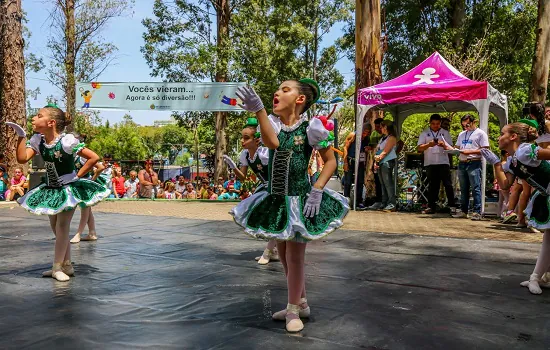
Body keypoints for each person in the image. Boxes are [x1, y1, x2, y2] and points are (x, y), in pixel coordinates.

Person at [230, 80, 349, 333]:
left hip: (299, 199)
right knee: (283, 255)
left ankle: (293, 309)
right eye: (276, 89)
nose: (277, 92)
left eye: (285, 90)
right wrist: (259, 110)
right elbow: (272, 143)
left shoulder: (311, 128)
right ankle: (301, 302)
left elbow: (330, 162)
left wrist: (317, 189)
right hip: (276, 199)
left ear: (300, 99)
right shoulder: (273, 126)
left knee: (295, 257)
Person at [6, 105, 110, 281]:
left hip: (68, 189)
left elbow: (94, 157)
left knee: (62, 227)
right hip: (51, 189)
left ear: (51, 122)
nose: (34, 118)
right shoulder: (39, 141)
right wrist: (21, 137)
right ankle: (66, 264)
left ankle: (56, 268)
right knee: (56, 227)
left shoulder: (67, 141)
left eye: (39, 116)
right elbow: (22, 158)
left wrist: (76, 176)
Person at [483, 122, 550, 294]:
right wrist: (497, 164)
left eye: (502, 133)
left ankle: (539, 276)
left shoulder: (525, 150)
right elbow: (505, 184)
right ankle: (540, 276)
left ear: (513, 137)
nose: (498, 137)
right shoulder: (513, 160)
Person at [223, 117, 278, 265]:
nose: (242, 141)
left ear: (257, 140)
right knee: (265, 218)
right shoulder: (245, 155)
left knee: (274, 218)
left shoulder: (264, 153)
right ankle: (273, 250)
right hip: (265, 186)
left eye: (246, 138)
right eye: (242, 137)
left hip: (276, 187)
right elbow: (243, 178)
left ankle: (268, 251)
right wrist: (233, 167)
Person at [452, 114, 489, 220]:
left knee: (476, 188)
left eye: (467, 124)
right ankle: (464, 211)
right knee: (463, 188)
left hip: (474, 162)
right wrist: (450, 148)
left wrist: (470, 151)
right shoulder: (461, 134)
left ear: (474, 122)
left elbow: (485, 149)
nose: (466, 127)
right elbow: (457, 147)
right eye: (464, 125)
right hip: (462, 162)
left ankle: (477, 212)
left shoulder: (481, 134)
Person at [417, 114, 455, 214]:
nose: (435, 126)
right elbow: (419, 148)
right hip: (430, 162)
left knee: (448, 184)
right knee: (433, 185)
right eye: (433, 124)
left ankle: (452, 205)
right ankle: (431, 206)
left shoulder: (445, 133)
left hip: (443, 161)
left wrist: (443, 145)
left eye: (438, 124)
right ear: (430, 123)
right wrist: (429, 144)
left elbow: (451, 148)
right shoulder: (425, 133)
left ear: (440, 123)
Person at [70, 151, 106, 243]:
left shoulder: (83, 157)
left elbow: (100, 167)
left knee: (85, 209)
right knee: (87, 210)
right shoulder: (72, 156)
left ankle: (78, 233)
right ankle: (92, 233)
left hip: (84, 184)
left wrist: (93, 179)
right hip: (77, 184)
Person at [343, 124, 371, 209]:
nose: (365, 134)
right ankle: (345, 200)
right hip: (351, 160)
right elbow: (345, 148)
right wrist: (345, 163)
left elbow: (365, 151)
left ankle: (359, 201)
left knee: (360, 181)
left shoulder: (366, 139)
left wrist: (367, 149)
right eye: (364, 132)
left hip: (361, 162)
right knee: (348, 182)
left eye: (367, 133)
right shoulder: (352, 135)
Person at [373, 120, 398, 212]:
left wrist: (379, 157)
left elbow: (386, 151)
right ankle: (385, 202)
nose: (381, 129)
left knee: (388, 183)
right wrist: (376, 161)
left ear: (386, 127)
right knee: (382, 183)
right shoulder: (383, 138)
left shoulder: (391, 138)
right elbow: (378, 149)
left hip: (387, 161)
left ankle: (392, 204)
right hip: (381, 162)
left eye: (382, 127)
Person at [366, 118, 384, 209]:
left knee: (385, 182)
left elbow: (399, 143)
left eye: (379, 126)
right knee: (377, 180)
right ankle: (378, 200)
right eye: (376, 126)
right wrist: (369, 147)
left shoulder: (387, 134)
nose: (378, 128)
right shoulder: (374, 133)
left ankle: (386, 201)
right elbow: (372, 146)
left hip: (386, 160)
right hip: (376, 160)